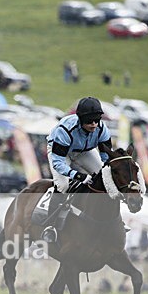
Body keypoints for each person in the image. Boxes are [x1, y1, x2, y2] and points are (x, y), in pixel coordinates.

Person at [41, 96, 113, 242]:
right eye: (89, 121)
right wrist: (78, 176)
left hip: (84, 151)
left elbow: (106, 157)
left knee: (103, 178)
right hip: (61, 153)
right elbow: (58, 163)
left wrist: (107, 170)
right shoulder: (65, 130)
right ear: (80, 119)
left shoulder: (102, 129)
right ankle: (50, 226)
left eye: (96, 120)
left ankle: (106, 219)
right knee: (63, 185)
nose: (93, 125)